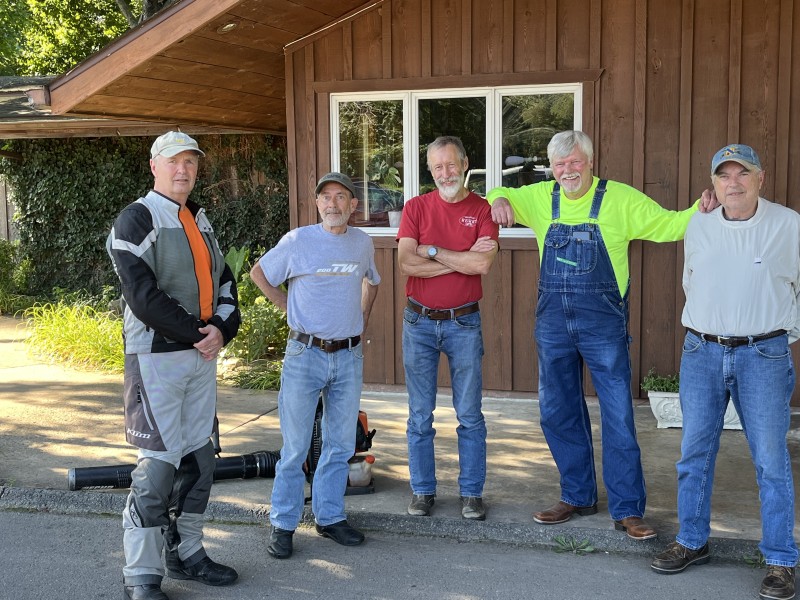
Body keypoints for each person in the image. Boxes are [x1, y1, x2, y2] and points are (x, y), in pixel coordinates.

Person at [488, 130, 708, 540]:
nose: (567, 171)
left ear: (590, 161)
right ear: (551, 168)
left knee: (618, 416)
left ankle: (627, 508)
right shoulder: (539, 197)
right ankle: (576, 495)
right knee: (557, 411)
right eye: (560, 164)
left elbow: (670, 225)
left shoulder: (620, 198)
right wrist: (500, 198)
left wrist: (701, 207)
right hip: (553, 324)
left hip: (603, 324)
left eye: (575, 162)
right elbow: (495, 192)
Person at [650, 144, 799, 600]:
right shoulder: (700, 223)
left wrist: (780, 334)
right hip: (702, 351)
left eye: (742, 174)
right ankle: (692, 541)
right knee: (694, 454)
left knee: (771, 461)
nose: (732, 183)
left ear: (761, 178)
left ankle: (780, 559)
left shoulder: (788, 225)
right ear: (713, 183)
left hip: (764, 354)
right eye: (723, 176)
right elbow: (693, 281)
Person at [107, 131, 241, 600]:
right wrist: (199, 332)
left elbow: (225, 280)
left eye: (191, 162)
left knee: (200, 462)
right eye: (173, 161)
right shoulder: (136, 218)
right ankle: (141, 575)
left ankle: (188, 554)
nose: (183, 169)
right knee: (157, 470)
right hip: (156, 361)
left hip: (200, 357)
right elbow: (143, 298)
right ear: (154, 166)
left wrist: (223, 329)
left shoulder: (199, 221)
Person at [250, 171, 380, 559]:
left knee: (340, 445)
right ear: (318, 203)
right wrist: (289, 309)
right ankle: (284, 523)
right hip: (305, 356)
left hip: (348, 356)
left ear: (353, 205)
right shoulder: (298, 241)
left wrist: (361, 319)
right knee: (295, 448)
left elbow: (372, 282)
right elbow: (260, 273)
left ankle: (330, 518)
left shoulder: (362, 243)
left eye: (341, 197)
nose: (333, 204)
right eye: (326, 197)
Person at [397, 136, 499, 521]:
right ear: (430, 170)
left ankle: (472, 493)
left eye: (451, 165)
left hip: (464, 322)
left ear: (465, 162)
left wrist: (434, 251)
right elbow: (407, 263)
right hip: (418, 321)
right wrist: (461, 259)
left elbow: (483, 266)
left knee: (469, 413)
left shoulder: (481, 209)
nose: (445, 173)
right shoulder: (416, 207)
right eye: (437, 167)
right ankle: (422, 491)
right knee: (419, 415)